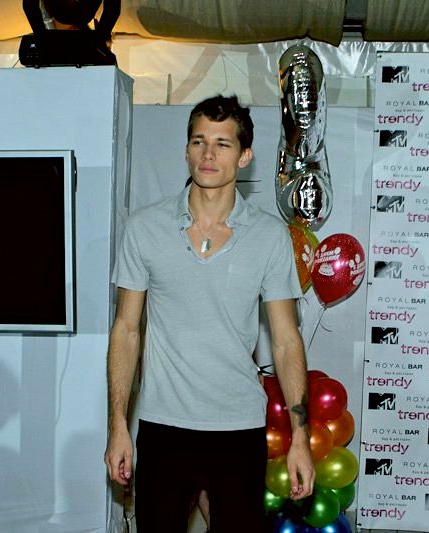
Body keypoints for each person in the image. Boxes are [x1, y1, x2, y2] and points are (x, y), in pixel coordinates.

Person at [104, 95, 314, 532]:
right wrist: (118, 426)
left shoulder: (270, 236)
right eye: (199, 141)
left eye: (222, 144)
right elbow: (126, 329)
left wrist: (300, 438)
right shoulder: (144, 228)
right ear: (186, 150)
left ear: (245, 156)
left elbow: (285, 340)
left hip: (239, 427)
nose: (208, 154)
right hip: (164, 425)